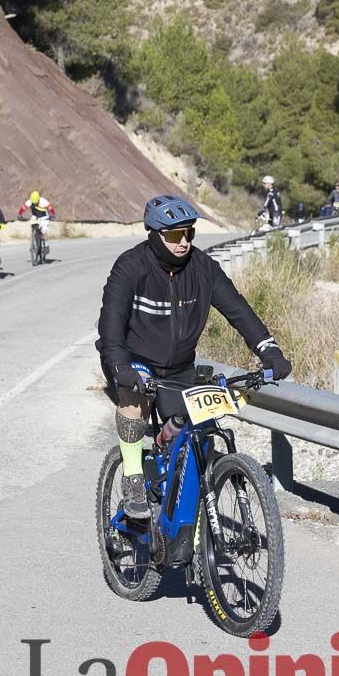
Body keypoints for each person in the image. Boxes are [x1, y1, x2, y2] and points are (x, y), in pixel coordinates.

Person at [96, 194, 293, 518]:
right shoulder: (132, 266)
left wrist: (268, 349)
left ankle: (170, 476)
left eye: (189, 233)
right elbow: (111, 321)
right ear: (155, 234)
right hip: (133, 359)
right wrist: (119, 365)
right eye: (175, 235)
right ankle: (133, 476)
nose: (184, 242)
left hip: (179, 366)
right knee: (135, 399)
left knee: (192, 433)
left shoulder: (203, 269)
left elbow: (238, 310)